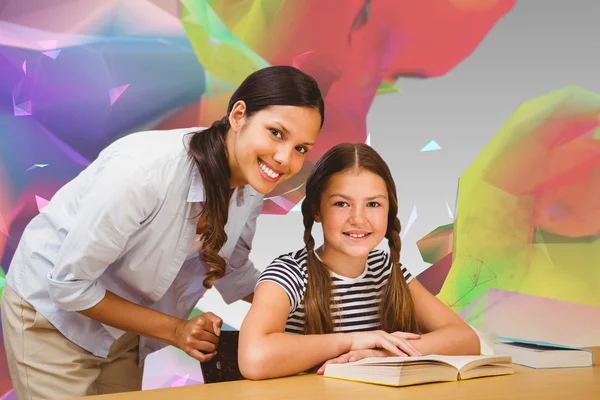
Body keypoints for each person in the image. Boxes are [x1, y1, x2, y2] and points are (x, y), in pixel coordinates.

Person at [1, 65, 324, 399]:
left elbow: (233, 270)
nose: (285, 159)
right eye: (276, 133)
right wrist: (177, 330)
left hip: (123, 324)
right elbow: (69, 287)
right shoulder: (143, 173)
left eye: (301, 148)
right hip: (52, 314)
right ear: (239, 114)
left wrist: (317, 310)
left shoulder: (252, 184)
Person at [239, 143, 480, 380]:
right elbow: (253, 358)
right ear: (317, 210)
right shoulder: (288, 274)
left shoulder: (385, 270)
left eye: (373, 204)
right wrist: (352, 341)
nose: (358, 219)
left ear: (389, 211)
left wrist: (382, 353)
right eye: (341, 203)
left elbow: (466, 339)